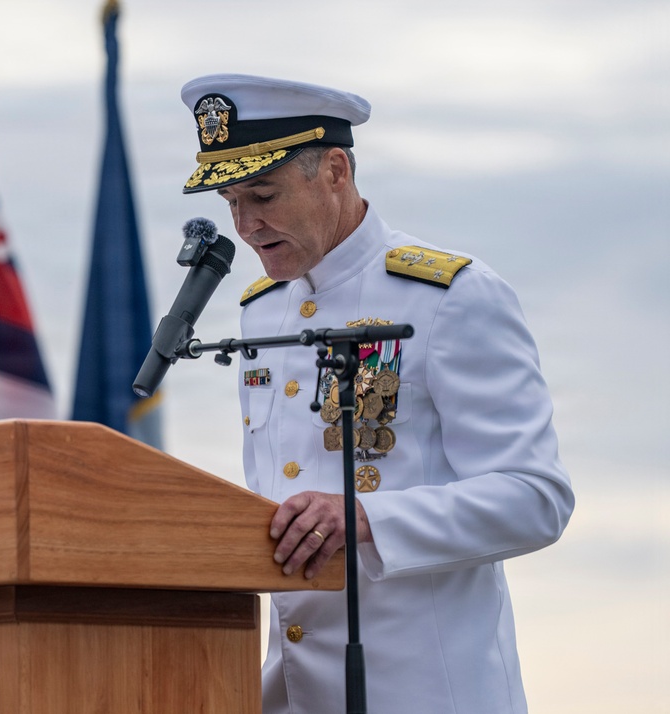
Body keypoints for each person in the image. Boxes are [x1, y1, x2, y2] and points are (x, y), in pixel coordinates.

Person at [180, 74, 575, 713]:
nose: (246, 225)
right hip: (294, 692)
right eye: (230, 201)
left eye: (263, 193)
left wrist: (367, 518)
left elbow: (536, 498)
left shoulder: (450, 297)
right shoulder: (264, 311)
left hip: (425, 690)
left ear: (335, 170)